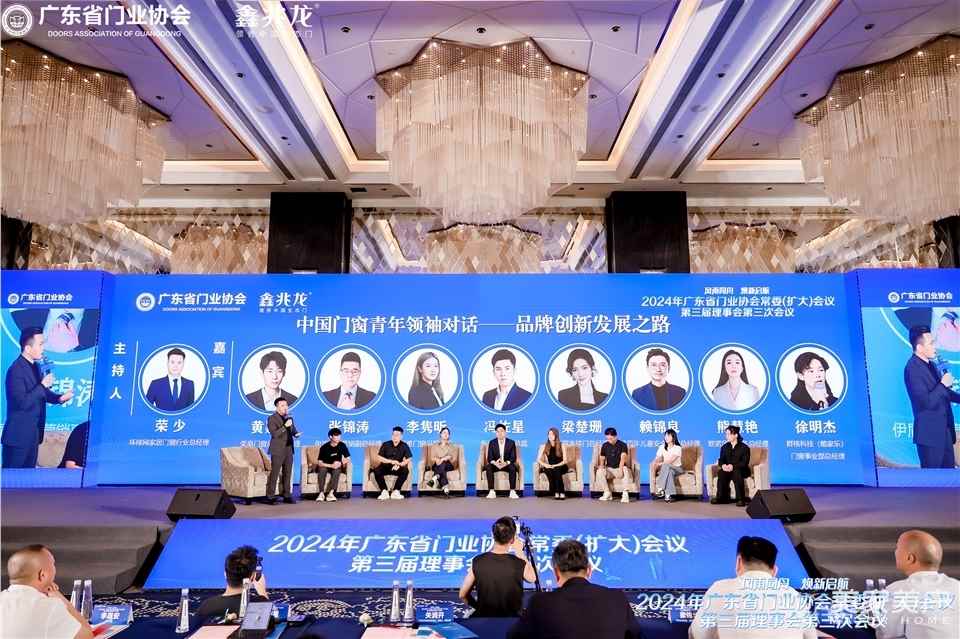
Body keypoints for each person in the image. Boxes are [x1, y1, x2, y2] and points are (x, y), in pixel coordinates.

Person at [507, 539, 642, 639]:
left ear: (556, 573)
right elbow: (635, 635)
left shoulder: (540, 602)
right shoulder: (617, 598)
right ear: (589, 570)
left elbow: (514, 636)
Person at [690, 536, 817, 639]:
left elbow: (698, 635)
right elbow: (811, 637)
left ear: (738, 562)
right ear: (774, 570)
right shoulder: (793, 595)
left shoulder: (719, 589)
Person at [2, 328, 74, 469]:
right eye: (40, 344)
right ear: (28, 348)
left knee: (28, 479)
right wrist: (42, 385)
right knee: (12, 480)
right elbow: (22, 403)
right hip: (18, 438)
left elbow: (42, 393)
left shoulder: (36, 366)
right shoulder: (16, 370)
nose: (43, 348)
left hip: (33, 436)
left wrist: (60, 398)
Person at [0, 544, 94, 639]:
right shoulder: (50, 606)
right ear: (43, 575)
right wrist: (58, 596)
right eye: (53, 563)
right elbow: (87, 635)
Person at [878, 529, 959, 639]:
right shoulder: (957, 586)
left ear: (910, 558)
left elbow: (886, 632)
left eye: (897, 548)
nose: (895, 551)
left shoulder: (897, 591)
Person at [904, 326, 959, 469]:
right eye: (931, 343)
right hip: (929, 437)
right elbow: (925, 402)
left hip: (945, 433)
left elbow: (944, 394)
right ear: (919, 347)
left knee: (948, 478)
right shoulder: (912, 368)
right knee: (932, 479)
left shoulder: (933, 366)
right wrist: (943, 384)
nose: (935, 346)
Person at [459, 517, 536, 617]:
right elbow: (532, 578)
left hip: (484, 620)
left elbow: (462, 595)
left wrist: (479, 607)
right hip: (512, 621)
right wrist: (519, 551)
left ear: (492, 535)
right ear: (513, 539)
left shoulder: (478, 561)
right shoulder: (519, 563)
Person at [196, 545, 270, 622]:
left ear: (225, 574)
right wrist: (262, 592)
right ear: (252, 577)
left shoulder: (207, 606)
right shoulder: (258, 604)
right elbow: (267, 621)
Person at [266, 398, 299, 504]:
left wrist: (296, 434)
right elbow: (275, 434)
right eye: (282, 405)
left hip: (289, 448)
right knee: (275, 473)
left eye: (286, 405)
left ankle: (287, 495)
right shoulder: (272, 418)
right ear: (277, 407)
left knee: (288, 473)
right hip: (278, 449)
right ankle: (270, 496)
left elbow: (293, 430)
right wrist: (285, 426)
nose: (285, 407)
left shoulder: (289, 418)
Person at [711, 425, 751, 507]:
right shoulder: (724, 447)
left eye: (728, 434)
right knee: (721, 473)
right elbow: (721, 460)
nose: (726, 436)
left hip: (741, 469)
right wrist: (723, 466)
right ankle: (722, 498)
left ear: (736, 435)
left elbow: (744, 463)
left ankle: (740, 499)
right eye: (726, 434)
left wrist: (733, 466)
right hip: (728, 469)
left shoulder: (744, 448)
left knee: (737, 472)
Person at [373, 426, 413, 500]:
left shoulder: (404, 445)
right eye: (393, 435)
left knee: (405, 471)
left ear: (401, 436)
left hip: (397, 467)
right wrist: (391, 461)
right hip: (385, 466)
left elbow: (409, 458)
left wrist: (400, 464)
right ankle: (384, 491)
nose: (395, 437)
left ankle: (396, 491)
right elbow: (379, 457)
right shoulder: (385, 444)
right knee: (377, 470)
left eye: (397, 435)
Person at [595, 427, 631, 503]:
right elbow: (602, 458)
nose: (609, 440)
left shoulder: (623, 445)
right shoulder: (605, 445)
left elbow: (623, 458)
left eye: (610, 439)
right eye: (607, 439)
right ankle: (607, 492)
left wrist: (620, 469)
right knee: (599, 471)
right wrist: (601, 466)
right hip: (609, 470)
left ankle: (625, 494)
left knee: (625, 469)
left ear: (615, 436)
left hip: (619, 468)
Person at [484, 423, 520, 499]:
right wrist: (495, 463)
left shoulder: (511, 442)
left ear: (505, 432)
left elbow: (513, 457)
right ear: (495, 433)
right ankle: (491, 491)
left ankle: (512, 491)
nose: (499, 433)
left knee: (512, 467)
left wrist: (506, 463)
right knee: (488, 467)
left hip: (506, 465)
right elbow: (489, 457)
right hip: (496, 465)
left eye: (501, 431)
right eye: (497, 431)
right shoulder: (492, 442)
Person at [314, 427, 350, 502]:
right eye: (336, 436)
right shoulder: (324, 447)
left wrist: (340, 463)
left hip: (336, 466)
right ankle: (321, 493)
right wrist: (331, 465)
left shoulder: (342, 445)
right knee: (322, 470)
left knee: (337, 470)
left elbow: (348, 458)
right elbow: (319, 462)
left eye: (339, 436)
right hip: (325, 465)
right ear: (331, 437)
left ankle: (331, 493)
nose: (339, 438)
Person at [652, 428, 683, 502]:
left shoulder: (678, 448)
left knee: (666, 465)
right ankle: (668, 495)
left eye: (668, 436)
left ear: (673, 437)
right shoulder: (662, 447)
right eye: (665, 436)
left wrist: (660, 464)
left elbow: (670, 461)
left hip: (677, 468)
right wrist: (654, 463)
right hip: (668, 469)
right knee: (669, 472)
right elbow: (657, 458)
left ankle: (660, 488)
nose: (666, 437)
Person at [424, 426, 457, 496]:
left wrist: (442, 459)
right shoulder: (434, 445)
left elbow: (452, 457)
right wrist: (437, 460)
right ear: (440, 434)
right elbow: (432, 458)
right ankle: (445, 487)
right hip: (437, 464)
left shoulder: (452, 446)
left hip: (448, 465)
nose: (446, 434)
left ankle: (435, 477)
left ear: (449, 436)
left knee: (443, 463)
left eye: (447, 433)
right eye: (444, 433)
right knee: (441, 468)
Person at [539, 427, 568, 500]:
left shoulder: (562, 445)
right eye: (549, 434)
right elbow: (538, 459)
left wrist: (555, 465)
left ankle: (558, 491)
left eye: (552, 434)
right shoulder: (544, 446)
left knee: (557, 469)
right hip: (551, 466)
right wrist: (546, 465)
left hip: (562, 466)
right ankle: (559, 492)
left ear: (556, 435)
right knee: (549, 469)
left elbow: (565, 461)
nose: (550, 436)